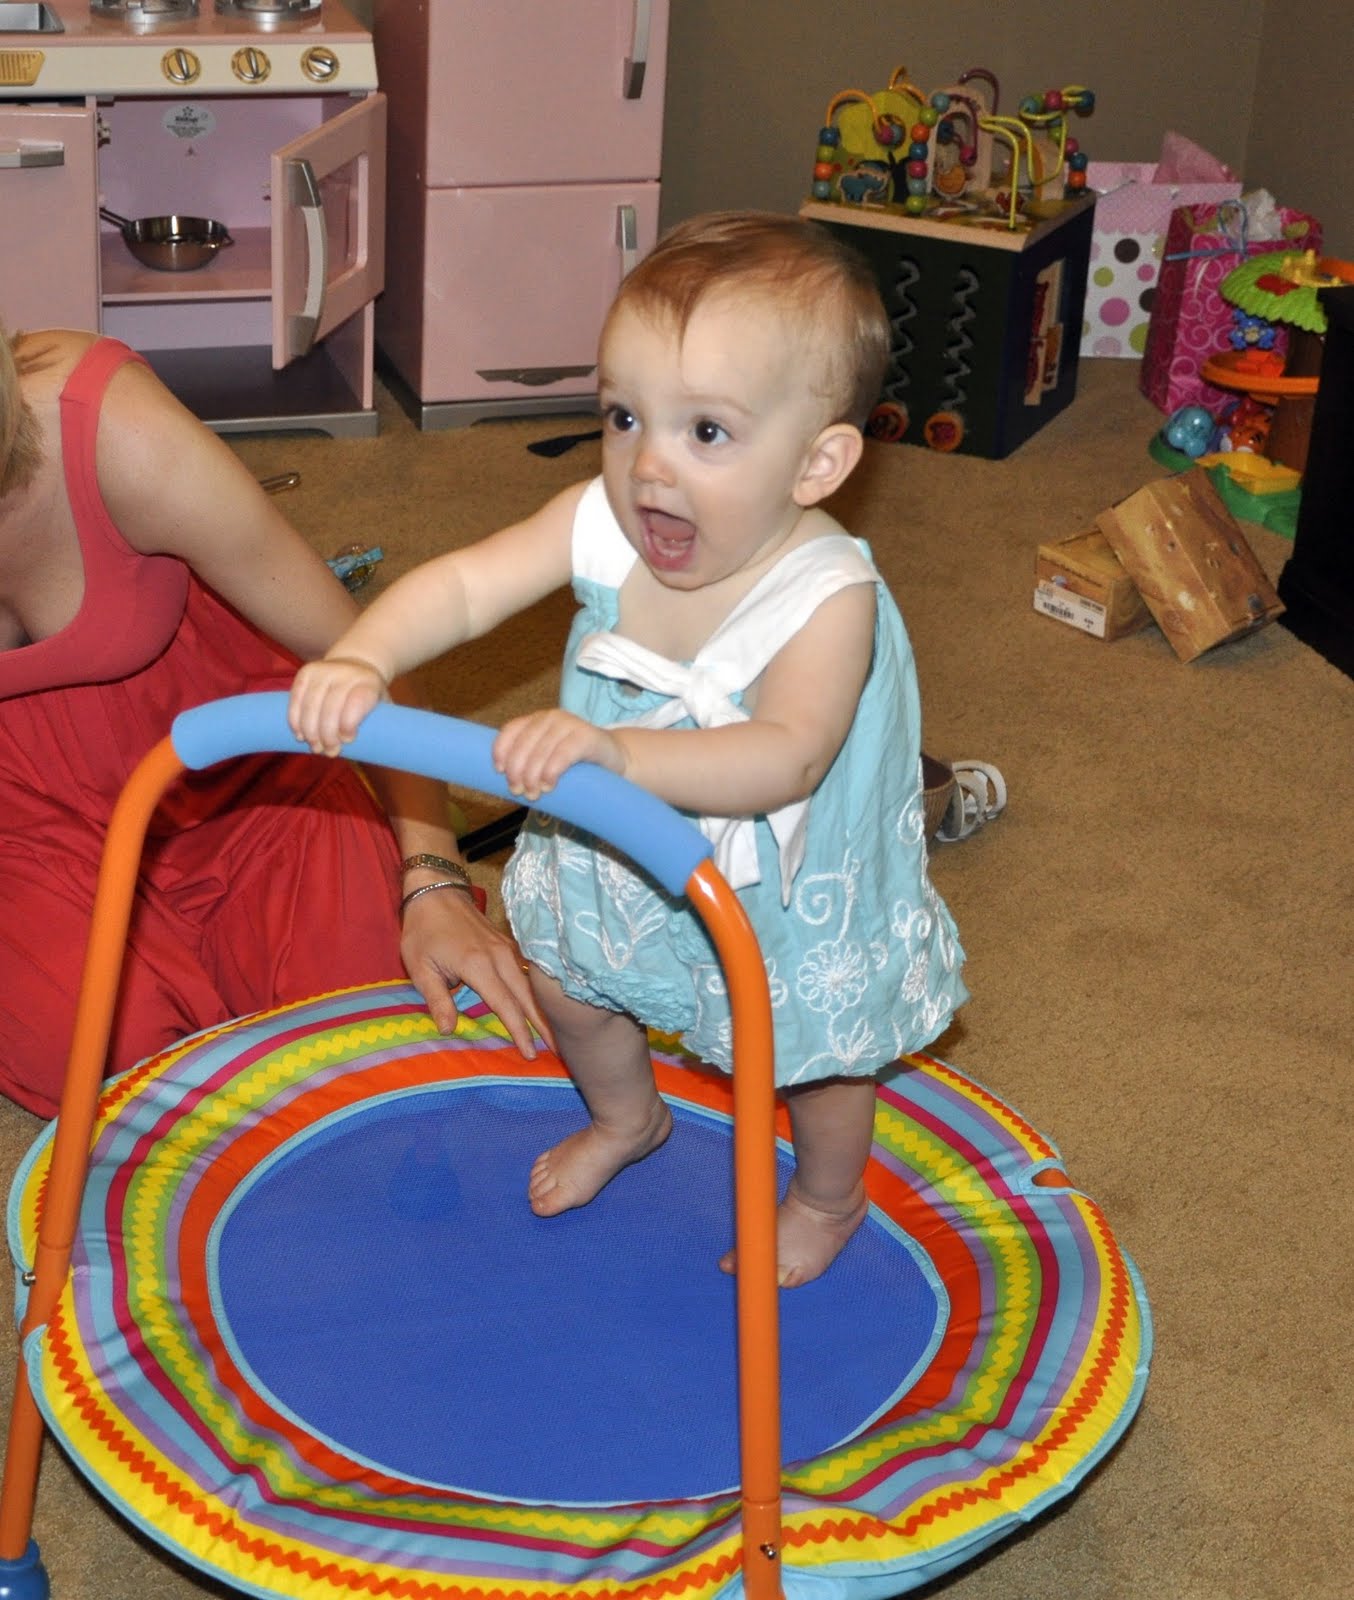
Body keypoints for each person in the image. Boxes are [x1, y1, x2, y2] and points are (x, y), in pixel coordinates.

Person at [288, 211, 967, 1286]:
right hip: (612, 826)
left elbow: (786, 756)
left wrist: (616, 756)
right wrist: (363, 655)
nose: (648, 465)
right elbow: (464, 586)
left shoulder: (829, 597)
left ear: (819, 461)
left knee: (817, 1058)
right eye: (621, 415)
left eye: (706, 432)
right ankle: (627, 1116)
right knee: (569, 981)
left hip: (779, 871)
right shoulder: (597, 517)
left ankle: (829, 1199)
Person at [0, 322, 545, 1120]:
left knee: (375, 1047)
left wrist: (433, 876)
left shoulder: (115, 427)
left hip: (255, 784)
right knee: (120, 1086)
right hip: (31, 825)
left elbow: (367, 659)